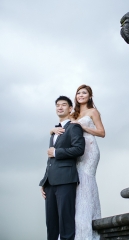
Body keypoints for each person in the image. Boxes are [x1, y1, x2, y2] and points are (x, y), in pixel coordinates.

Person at [50, 85, 105, 240]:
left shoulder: (93, 112)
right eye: (79, 93)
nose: (81, 95)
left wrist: (83, 126)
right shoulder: (74, 114)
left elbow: (102, 132)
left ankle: (87, 229)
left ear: (90, 95)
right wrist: (52, 131)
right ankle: (76, 229)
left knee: (86, 181)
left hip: (90, 150)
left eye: (84, 93)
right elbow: (64, 128)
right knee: (76, 184)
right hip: (75, 151)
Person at [39, 96, 85, 240]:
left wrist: (57, 152)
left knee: (66, 222)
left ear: (70, 108)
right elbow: (50, 159)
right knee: (51, 224)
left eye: (63, 105)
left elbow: (79, 149)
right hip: (50, 183)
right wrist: (44, 182)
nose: (60, 107)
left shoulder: (74, 127)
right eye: (57, 105)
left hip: (66, 180)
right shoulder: (54, 131)